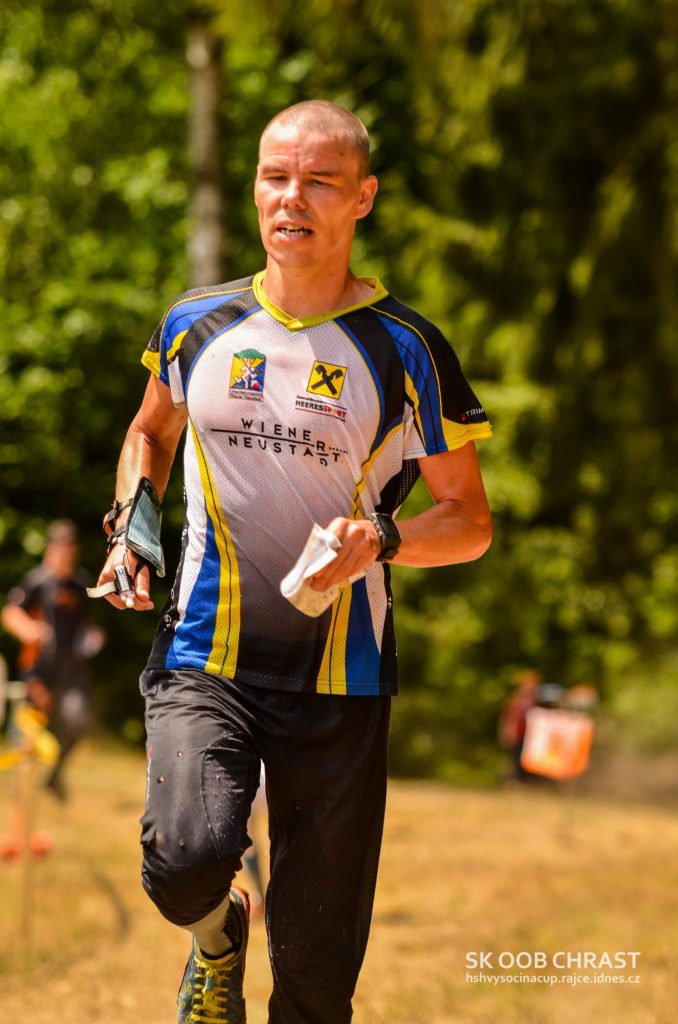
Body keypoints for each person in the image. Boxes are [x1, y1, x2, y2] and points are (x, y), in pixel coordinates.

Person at [95, 100, 493, 1024]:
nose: (292, 198)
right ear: (255, 189)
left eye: (319, 181)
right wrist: (131, 526)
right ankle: (218, 936)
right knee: (184, 861)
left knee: (316, 979)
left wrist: (383, 539)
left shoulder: (407, 349)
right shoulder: (198, 322)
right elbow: (150, 432)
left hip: (341, 679)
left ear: (363, 197)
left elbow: (469, 521)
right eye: (276, 177)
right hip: (206, 653)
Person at [1, 519, 104, 800]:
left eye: (69, 549)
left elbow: (85, 624)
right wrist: (29, 629)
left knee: (78, 721)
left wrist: (93, 637)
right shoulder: (37, 581)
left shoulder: (80, 584)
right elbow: (10, 613)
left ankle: (54, 776)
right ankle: (18, 797)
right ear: (50, 549)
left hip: (71, 672)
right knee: (27, 740)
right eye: (59, 549)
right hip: (38, 672)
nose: (64, 555)